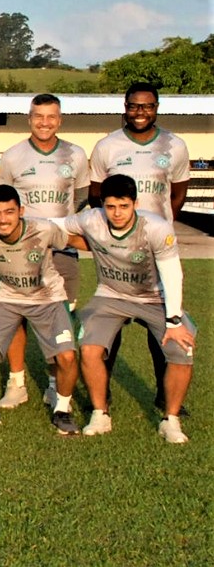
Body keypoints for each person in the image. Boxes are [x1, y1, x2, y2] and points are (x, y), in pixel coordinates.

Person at [57, 175, 197, 443]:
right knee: (89, 347)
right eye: (110, 207)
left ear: (135, 203)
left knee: (182, 347)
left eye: (123, 206)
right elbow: (55, 224)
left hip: (154, 297)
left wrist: (174, 320)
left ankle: (171, 420)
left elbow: (172, 274)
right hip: (111, 295)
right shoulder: (91, 219)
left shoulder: (156, 228)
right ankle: (100, 414)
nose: (117, 213)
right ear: (102, 205)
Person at [88, 83, 191, 414]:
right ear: (125, 107)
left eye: (147, 106)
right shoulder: (107, 146)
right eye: (134, 106)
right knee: (109, 320)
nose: (140, 112)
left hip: (156, 249)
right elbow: (94, 196)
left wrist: (157, 228)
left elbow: (177, 195)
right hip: (117, 247)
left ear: (157, 107)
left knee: (160, 321)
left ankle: (164, 394)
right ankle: (103, 395)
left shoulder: (174, 145)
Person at [0, 186, 80, 435]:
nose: (3, 219)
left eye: (9, 212)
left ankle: (62, 410)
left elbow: (73, 240)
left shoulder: (43, 229)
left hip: (48, 297)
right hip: (9, 297)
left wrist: (112, 248)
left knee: (67, 357)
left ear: (21, 211)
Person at [0, 93, 89, 409]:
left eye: (51, 116)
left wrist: (58, 229)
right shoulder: (13, 156)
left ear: (59, 120)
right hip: (20, 250)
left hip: (62, 249)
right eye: (38, 116)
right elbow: (2, 198)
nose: (44, 122)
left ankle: (53, 383)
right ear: (29, 118)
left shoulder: (76, 155)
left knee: (59, 317)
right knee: (17, 312)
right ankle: (17, 382)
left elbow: (80, 198)